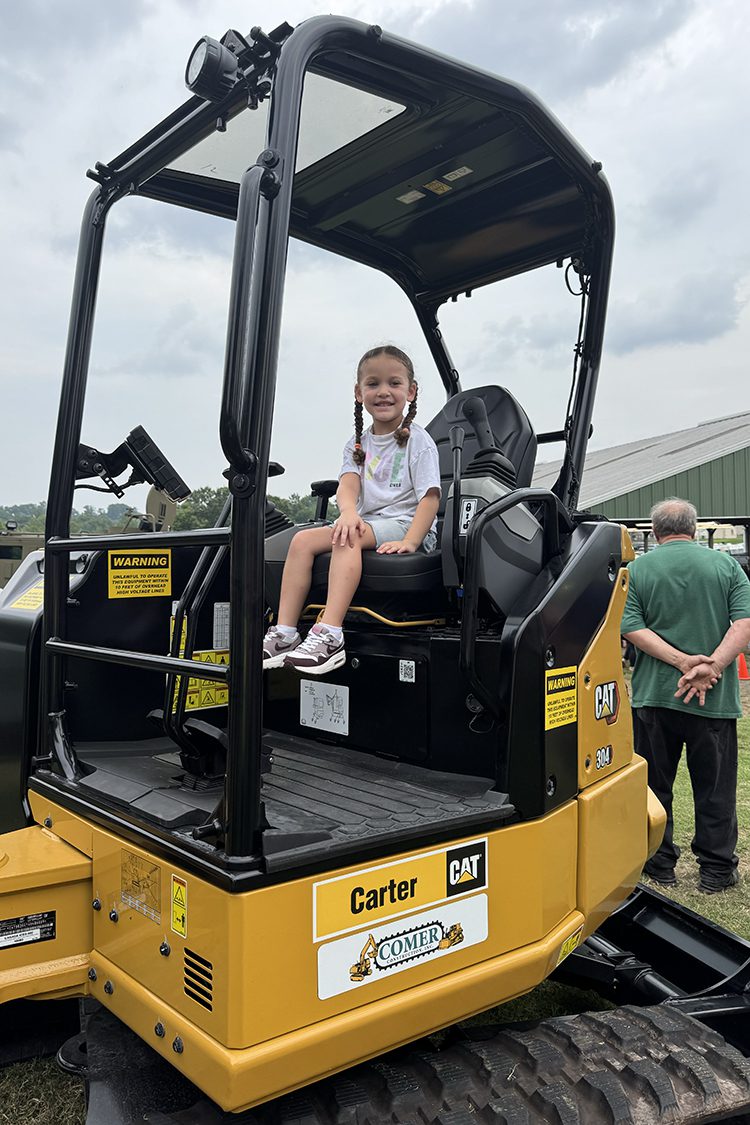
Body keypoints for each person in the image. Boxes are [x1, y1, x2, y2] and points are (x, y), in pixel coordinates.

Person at [262, 345, 441, 675]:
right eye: (373, 384)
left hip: (406, 524)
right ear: (359, 393)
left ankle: (329, 633)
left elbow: (429, 499)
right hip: (367, 522)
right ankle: (285, 633)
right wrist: (347, 512)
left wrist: (413, 541)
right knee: (301, 542)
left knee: (347, 537)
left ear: (411, 391)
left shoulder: (419, 441)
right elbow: (348, 486)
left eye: (394, 383)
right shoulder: (357, 444)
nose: (383, 392)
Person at [621, 498, 750, 894]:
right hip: (714, 700)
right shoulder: (726, 566)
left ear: (656, 533)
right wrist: (711, 666)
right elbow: (744, 622)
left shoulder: (637, 569)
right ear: (693, 530)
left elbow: (629, 625)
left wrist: (680, 663)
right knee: (715, 789)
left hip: (655, 699)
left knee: (653, 785)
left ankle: (658, 864)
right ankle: (715, 870)